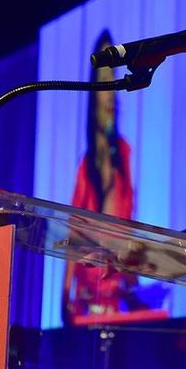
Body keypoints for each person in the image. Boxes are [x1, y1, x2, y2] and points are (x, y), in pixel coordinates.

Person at [63, 29, 140, 323]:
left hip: (117, 298)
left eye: (113, 81)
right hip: (85, 302)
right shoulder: (86, 166)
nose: (110, 93)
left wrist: (134, 282)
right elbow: (72, 231)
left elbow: (128, 225)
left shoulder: (124, 153)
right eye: (104, 83)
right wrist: (65, 294)